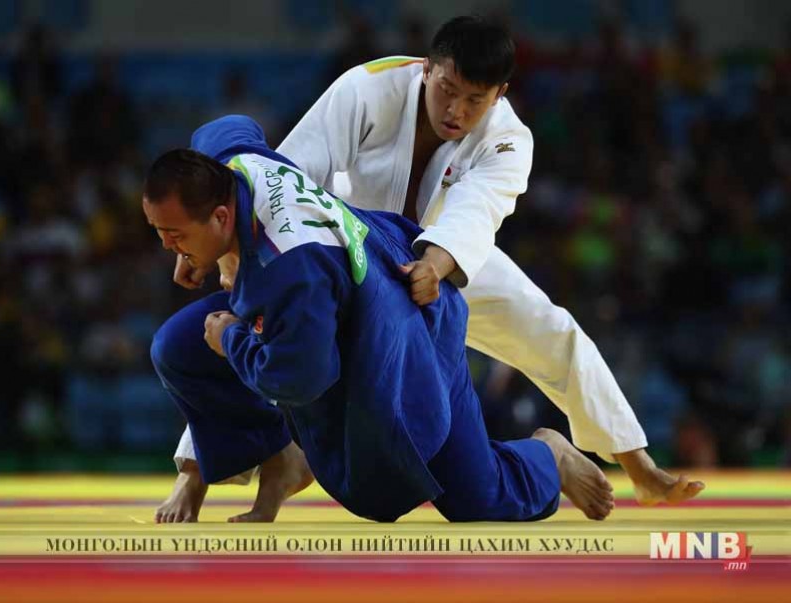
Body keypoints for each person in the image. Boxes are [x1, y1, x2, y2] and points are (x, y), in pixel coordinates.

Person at [162, 15, 704, 521]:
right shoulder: (366, 89)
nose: (456, 111)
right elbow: (284, 178)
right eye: (447, 89)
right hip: (349, 257)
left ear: (499, 94)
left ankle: (637, 464)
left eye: (475, 100)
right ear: (427, 69)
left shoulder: (508, 139)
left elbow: (477, 210)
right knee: (227, 324)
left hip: (444, 262)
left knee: (548, 326)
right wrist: (222, 251)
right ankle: (197, 469)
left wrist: (437, 262)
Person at [146, 115, 614, 523]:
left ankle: (548, 457)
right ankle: (280, 458)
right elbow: (227, 126)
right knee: (177, 349)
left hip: (407, 338)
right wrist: (204, 251)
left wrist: (231, 338)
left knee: (476, 498)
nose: (168, 247)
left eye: (174, 235)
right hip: (357, 295)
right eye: (162, 233)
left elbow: (300, 379)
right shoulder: (234, 163)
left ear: (221, 217)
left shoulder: (290, 269)